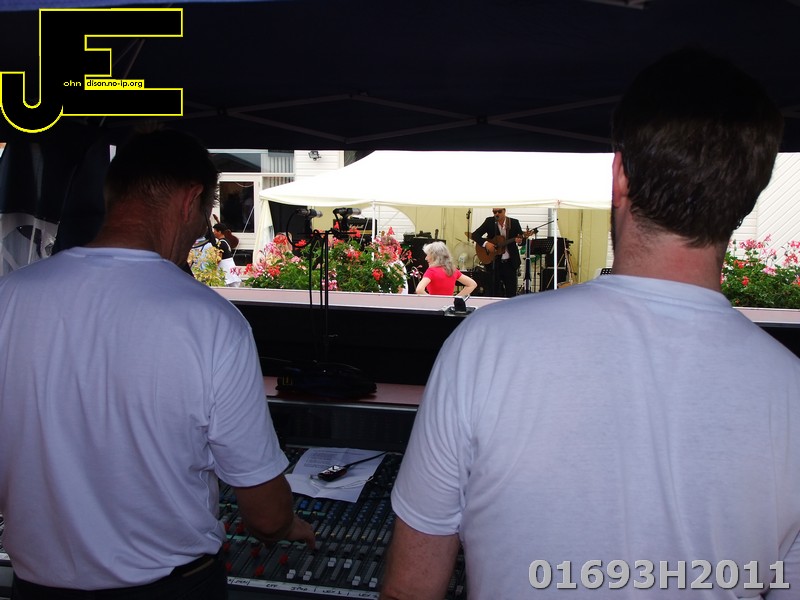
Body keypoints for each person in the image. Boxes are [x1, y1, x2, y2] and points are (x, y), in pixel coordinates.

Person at [381, 49, 800, 600]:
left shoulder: (484, 348)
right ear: (747, 195)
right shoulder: (792, 391)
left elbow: (411, 588)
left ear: (619, 175)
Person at [0, 129, 315, 599]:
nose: (202, 230)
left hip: (35, 588)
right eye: (206, 213)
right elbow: (266, 516)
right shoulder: (213, 322)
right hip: (170, 589)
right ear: (190, 200)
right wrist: (287, 525)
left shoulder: (9, 298)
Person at [470, 207, 523, 297]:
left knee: (511, 292)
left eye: (499, 211)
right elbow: (475, 235)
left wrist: (520, 241)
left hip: (510, 263)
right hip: (494, 262)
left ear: (504, 211)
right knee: (494, 291)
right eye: (495, 212)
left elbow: (522, 239)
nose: (497, 214)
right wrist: (486, 244)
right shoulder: (489, 222)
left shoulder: (514, 223)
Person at [212, 221, 242, 287]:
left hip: (225, 267)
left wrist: (213, 266)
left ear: (219, 232)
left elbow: (219, 258)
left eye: (215, 231)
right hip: (230, 265)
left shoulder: (221, 243)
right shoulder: (226, 240)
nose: (214, 233)